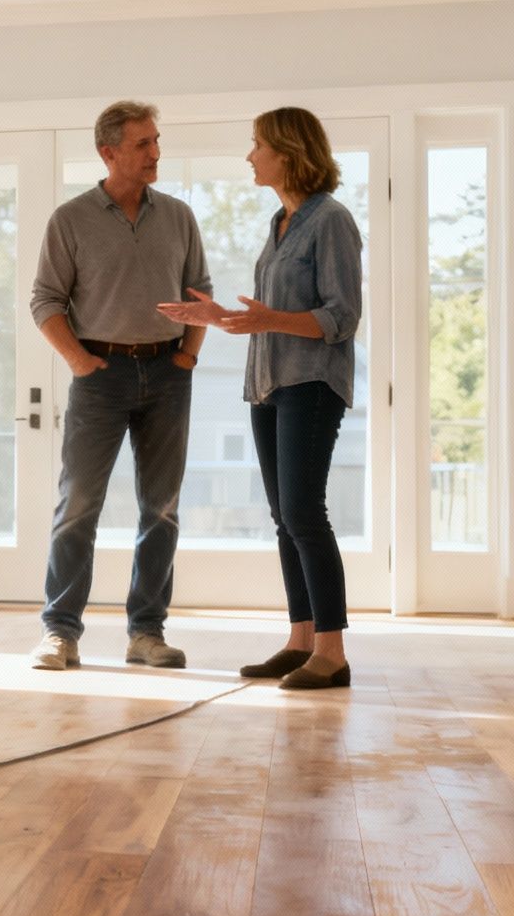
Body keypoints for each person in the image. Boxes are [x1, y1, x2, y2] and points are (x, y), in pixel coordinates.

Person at [158, 107, 362, 690]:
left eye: (257, 145)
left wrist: (271, 318)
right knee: (283, 518)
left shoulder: (332, 221)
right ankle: (300, 642)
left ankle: (333, 651)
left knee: (304, 512)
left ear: (289, 151)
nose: (250, 156)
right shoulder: (281, 222)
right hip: (268, 384)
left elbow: (342, 317)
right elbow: (267, 320)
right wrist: (219, 317)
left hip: (311, 384)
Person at [28, 100, 210, 672]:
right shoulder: (71, 219)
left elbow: (200, 293)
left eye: (156, 141)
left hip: (166, 375)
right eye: (142, 144)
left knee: (161, 509)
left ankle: (146, 633)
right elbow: (45, 302)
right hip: (99, 377)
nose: (155, 153)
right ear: (108, 152)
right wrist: (80, 362)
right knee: (78, 506)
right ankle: (61, 633)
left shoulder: (178, 215)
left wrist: (186, 357)